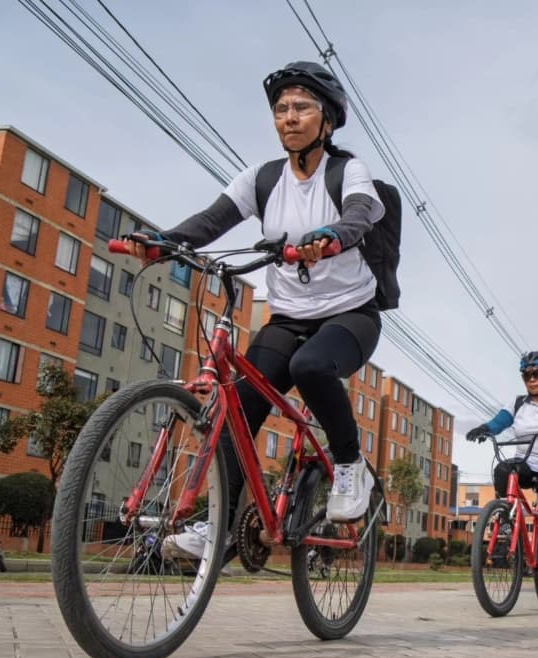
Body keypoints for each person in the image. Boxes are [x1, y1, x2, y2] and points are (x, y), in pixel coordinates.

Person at [124, 61, 386, 559]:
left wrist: (331, 236)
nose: (289, 117)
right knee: (236, 407)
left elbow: (358, 214)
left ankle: (350, 466)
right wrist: (163, 242)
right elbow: (212, 220)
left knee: (310, 366)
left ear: (327, 119)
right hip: (287, 317)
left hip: (351, 314)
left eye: (302, 107)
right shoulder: (262, 179)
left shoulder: (346, 170)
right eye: (281, 109)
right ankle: (218, 526)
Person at [466, 352, 538, 589]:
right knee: (502, 469)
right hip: (526, 461)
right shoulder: (518, 403)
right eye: (526, 375)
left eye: (537, 374)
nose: (532, 379)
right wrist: (485, 428)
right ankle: (505, 518)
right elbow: (501, 421)